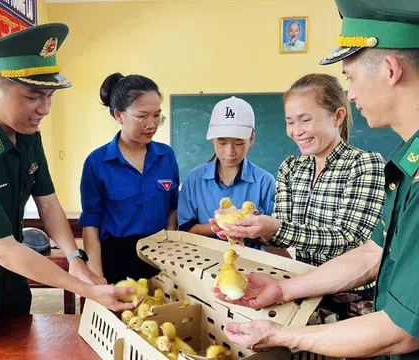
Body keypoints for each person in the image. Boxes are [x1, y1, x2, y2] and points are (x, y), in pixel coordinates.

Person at [213, 0, 419, 358]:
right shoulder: (406, 165)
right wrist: (281, 290)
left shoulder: (377, 166)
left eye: (351, 78)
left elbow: (402, 331)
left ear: (389, 69)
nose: (352, 94)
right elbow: (373, 253)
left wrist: (285, 336)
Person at [0, 24, 136, 360]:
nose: (44, 109)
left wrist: (74, 258)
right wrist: (86, 289)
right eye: (32, 97)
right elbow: (2, 248)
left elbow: (48, 203)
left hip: (13, 283)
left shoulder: (29, 134)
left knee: (19, 351)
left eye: (49, 96)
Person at [212, 74, 385, 268]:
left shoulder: (364, 165)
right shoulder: (291, 167)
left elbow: (350, 239)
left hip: (351, 293)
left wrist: (275, 227)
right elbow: (280, 238)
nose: (297, 131)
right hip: (305, 283)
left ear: (338, 116)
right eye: (291, 122)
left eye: (305, 120)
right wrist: (249, 226)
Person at [79, 73, 179, 285]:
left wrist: (170, 259)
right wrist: (97, 278)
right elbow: (91, 224)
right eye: (142, 116)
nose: (151, 124)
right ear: (119, 115)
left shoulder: (166, 156)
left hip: (160, 257)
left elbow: (173, 208)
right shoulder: (97, 163)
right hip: (116, 260)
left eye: (157, 115)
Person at [178, 96, 275, 248]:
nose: (230, 152)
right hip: (203, 260)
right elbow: (185, 228)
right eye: (222, 143)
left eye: (238, 143)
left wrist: (243, 229)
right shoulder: (194, 179)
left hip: (251, 262)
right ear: (212, 140)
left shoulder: (265, 181)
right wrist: (225, 225)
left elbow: (271, 236)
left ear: (251, 140)